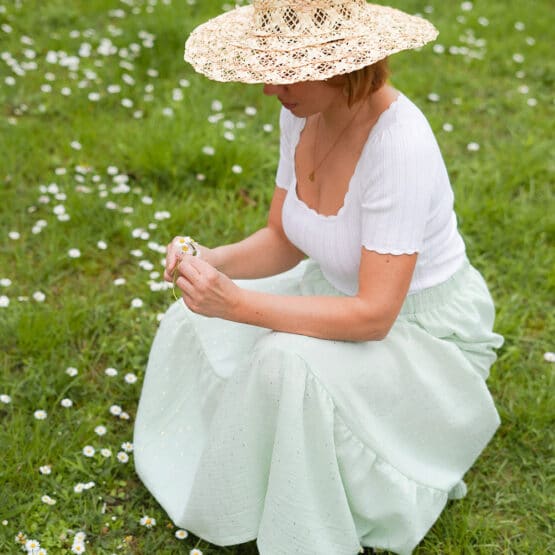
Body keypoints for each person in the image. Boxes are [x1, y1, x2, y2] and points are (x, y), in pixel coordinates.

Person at [133, 1, 504, 554]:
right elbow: (285, 238)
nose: (269, 88)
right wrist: (212, 260)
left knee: (285, 361)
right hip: (335, 292)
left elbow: (375, 315)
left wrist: (237, 304)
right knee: (193, 322)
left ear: (342, 66)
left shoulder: (399, 144)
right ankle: (237, 478)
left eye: (285, 70)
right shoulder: (302, 111)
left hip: (419, 336)